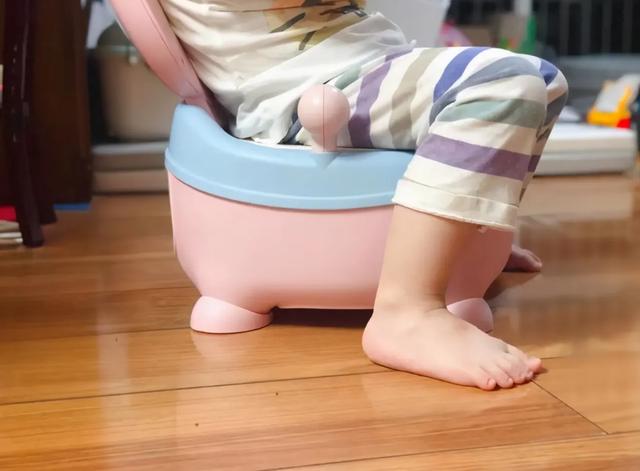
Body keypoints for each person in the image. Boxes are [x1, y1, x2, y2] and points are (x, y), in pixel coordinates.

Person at [160, 0, 568, 390]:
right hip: (305, 91)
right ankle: (407, 310)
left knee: (544, 79)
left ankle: (465, 230)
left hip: (360, 65)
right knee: (502, 83)